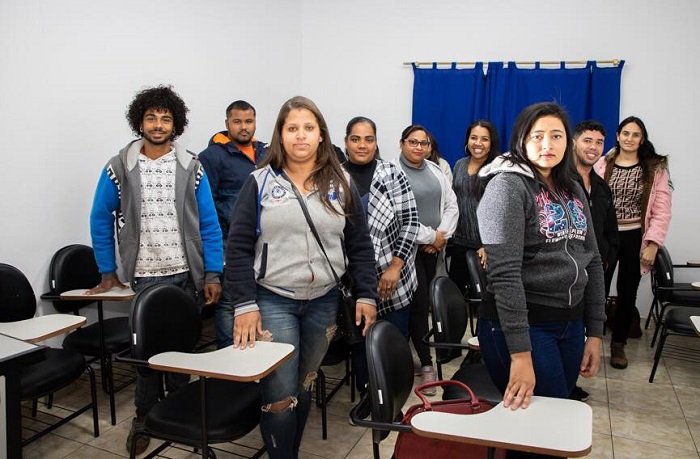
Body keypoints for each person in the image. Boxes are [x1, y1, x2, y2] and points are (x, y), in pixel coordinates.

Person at [224, 96, 378, 458]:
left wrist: (367, 294)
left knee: (304, 384)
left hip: (324, 301)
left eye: (309, 128)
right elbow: (238, 247)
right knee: (279, 393)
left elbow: (359, 245)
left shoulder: (341, 183)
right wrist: (244, 303)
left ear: (321, 135)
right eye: (292, 128)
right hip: (273, 299)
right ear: (280, 135)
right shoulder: (259, 182)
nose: (300, 136)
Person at [86, 85, 223, 454]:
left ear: (175, 124)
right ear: (140, 122)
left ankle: (181, 417)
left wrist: (212, 274)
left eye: (166, 118)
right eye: (152, 118)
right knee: (146, 358)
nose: (158, 125)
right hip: (144, 275)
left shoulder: (191, 166)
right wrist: (106, 270)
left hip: (185, 275)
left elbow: (208, 224)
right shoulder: (119, 167)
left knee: (180, 351)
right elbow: (101, 217)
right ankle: (144, 418)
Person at [476, 103, 605, 432]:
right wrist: (520, 354)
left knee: (554, 417)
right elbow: (503, 276)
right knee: (542, 430)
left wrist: (594, 332)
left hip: (570, 323)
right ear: (521, 139)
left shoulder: (572, 188)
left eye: (556, 136)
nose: (547, 144)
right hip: (524, 325)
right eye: (538, 136)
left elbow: (592, 258)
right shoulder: (507, 187)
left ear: (568, 142)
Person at [342, 116, 419, 408]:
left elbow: (411, 222)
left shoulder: (391, 173)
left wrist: (395, 267)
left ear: (376, 142)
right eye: (356, 139)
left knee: (393, 341)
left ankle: (393, 400)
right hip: (354, 283)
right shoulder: (334, 175)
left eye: (368, 139)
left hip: (393, 280)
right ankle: (369, 397)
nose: (362, 145)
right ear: (345, 141)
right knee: (362, 343)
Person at [594, 116, 672, 370]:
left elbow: (662, 210)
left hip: (635, 237)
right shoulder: (602, 164)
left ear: (642, 139)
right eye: (625, 133)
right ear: (617, 136)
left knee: (628, 291)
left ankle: (618, 344)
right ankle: (591, 340)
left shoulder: (654, 169)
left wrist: (652, 244)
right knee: (598, 289)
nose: (629, 138)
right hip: (606, 236)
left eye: (635, 134)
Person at [198, 100, 268, 348]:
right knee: (230, 303)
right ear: (227, 123)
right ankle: (228, 361)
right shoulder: (212, 157)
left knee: (255, 301)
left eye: (248, 121)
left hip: (261, 244)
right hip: (229, 243)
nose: (243, 127)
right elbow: (205, 207)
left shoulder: (265, 153)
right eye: (237, 122)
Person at [394, 124, 458, 395]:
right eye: (413, 142)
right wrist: (431, 237)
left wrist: (441, 237)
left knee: (422, 305)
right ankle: (425, 363)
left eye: (424, 143)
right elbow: (399, 216)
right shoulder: (392, 172)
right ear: (401, 143)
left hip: (432, 250)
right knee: (416, 304)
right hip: (404, 250)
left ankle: (418, 360)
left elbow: (451, 205)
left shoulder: (435, 170)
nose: (418, 147)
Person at [570, 120, 619, 401]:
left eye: (599, 143)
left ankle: (570, 379)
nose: (593, 147)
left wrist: (606, 261)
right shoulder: (559, 182)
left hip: (595, 269)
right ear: (574, 142)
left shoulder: (602, 187)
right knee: (570, 325)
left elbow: (610, 232)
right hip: (568, 272)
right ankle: (563, 380)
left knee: (588, 326)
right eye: (587, 140)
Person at [448, 120, 500, 295]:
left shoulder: (497, 170)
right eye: (473, 138)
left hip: (485, 247)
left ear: (491, 143)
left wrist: (488, 245)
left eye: (484, 139)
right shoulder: (459, 165)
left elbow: (502, 211)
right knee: (456, 296)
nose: (478, 143)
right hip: (459, 243)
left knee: (483, 300)